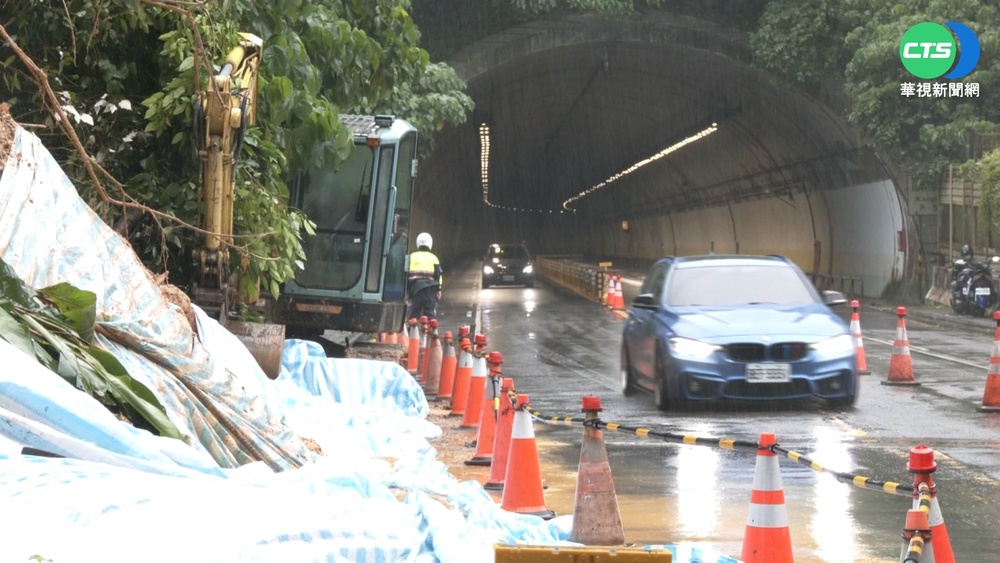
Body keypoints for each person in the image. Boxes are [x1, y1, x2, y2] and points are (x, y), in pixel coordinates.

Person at [407, 232, 442, 320]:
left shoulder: (411, 257)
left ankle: (413, 329)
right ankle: (432, 330)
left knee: (415, 313)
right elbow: (438, 276)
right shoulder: (434, 258)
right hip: (429, 289)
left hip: (415, 289)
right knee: (430, 312)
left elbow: (405, 274)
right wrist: (439, 290)